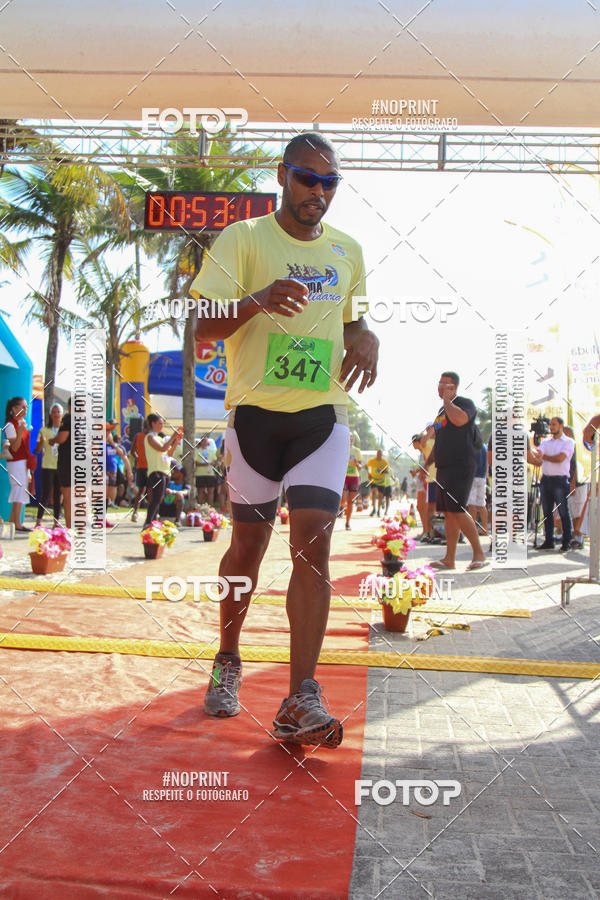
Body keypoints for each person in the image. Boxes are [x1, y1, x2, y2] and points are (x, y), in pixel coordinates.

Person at [191, 131, 378, 748]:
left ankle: (301, 694)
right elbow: (199, 329)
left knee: (312, 546)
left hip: (321, 416)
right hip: (255, 419)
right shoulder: (242, 239)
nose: (317, 194)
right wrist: (257, 301)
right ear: (282, 175)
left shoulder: (349, 250)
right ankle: (227, 657)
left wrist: (367, 336)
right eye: (307, 179)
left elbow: (355, 319)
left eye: (330, 184)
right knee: (246, 550)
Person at [424, 372, 487, 571]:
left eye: (446, 384)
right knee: (449, 513)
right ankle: (449, 558)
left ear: (455, 387)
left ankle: (479, 554)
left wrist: (448, 401)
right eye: (439, 383)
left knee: (458, 509)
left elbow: (460, 420)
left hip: (461, 465)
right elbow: (439, 435)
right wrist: (429, 460)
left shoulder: (464, 403)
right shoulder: (442, 409)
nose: (440, 387)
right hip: (444, 467)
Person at [533, 416, 575, 551]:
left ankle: (566, 541)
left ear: (561, 426)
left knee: (563, 511)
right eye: (550, 424)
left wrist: (543, 457)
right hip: (546, 479)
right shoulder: (545, 442)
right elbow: (538, 453)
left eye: (554, 424)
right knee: (547, 512)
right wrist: (535, 451)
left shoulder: (568, 442)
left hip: (560, 480)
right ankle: (549, 540)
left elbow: (560, 458)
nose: (551, 427)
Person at [144, 415, 183, 527]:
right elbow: (162, 449)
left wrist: (176, 440)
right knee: (156, 499)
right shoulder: (150, 437)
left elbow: (169, 453)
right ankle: (148, 522)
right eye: (160, 423)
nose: (162, 426)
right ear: (153, 424)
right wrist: (172, 437)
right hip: (156, 472)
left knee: (159, 499)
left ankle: (153, 521)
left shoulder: (160, 438)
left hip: (165, 472)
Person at [4, 396, 33, 532]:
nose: (26, 409)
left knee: (21, 491)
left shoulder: (22, 423)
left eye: (26, 407)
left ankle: (12, 522)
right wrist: (21, 431)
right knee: (18, 490)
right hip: (16, 462)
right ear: (14, 409)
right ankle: (17, 523)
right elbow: (14, 448)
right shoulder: (10, 425)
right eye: (23, 407)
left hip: (23, 462)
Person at [35, 402, 63, 527]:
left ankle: (56, 522)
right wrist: (41, 443)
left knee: (58, 495)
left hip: (61, 467)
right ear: (50, 415)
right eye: (54, 412)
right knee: (45, 494)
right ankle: (38, 521)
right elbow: (36, 450)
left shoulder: (64, 431)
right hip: (48, 466)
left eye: (58, 412)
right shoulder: (44, 430)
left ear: (61, 414)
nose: (56, 414)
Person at [53, 397, 72, 528]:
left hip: (68, 461)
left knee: (68, 496)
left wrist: (53, 440)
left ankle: (71, 528)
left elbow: (62, 438)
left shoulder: (69, 418)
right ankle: (81, 527)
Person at [467, 444, 488, 537]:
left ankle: (473, 529)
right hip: (482, 477)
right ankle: (485, 528)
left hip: (473, 477)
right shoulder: (484, 447)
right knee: (482, 505)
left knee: (472, 504)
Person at [342, 434, 362, 530]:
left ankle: (347, 523)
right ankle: (342, 506)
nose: (350, 439)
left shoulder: (356, 451)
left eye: (351, 438)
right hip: (343, 477)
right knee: (343, 500)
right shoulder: (341, 448)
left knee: (350, 502)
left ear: (353, 440)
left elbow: (360, 467)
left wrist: (356, 463)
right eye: (348, 437)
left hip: (354, 477)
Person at [410, 433, 428, 539]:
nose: (412, 445)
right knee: (420, 507)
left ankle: (426, 531)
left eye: (413, 442)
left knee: (422, 507)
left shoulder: (425, 451)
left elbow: (427, 466)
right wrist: (417, 471)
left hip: (425, 482)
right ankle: (425, 530)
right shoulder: (421, 453)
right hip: (421, 482)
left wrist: (420, 472)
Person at [131, 422, 149, 523]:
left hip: (151, 467)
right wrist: (138, 458)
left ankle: (150, 514)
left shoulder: (152, 437)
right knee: (140, 490)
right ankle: (135, 512)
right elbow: (132, 451)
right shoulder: (138, 436)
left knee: (150, 491)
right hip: (141, 467)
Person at [195, 436, 218, 505]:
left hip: (210, 474)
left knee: (210, 491)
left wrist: (211, 463)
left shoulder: (211, 451)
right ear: (200, 442)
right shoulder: (197, 451)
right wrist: (204, 464)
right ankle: (200, 507)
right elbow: (195, 463)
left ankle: (210, 508)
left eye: (205, 441)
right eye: (203, 441)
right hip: (200, 474)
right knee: (200, 491)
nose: (204, 442)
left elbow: (215, 461)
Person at [366, 449, 389, 517]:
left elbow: (387, 471)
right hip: (373, 480)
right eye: (378, 454)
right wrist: (369, 474)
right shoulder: (372, 461)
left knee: (380, 496)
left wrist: (382, 471)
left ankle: (378, 510)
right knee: (373, 492)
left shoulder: (384, 462)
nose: (379, 455)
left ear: (381, 454)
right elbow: (367, 467)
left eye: (380, 454)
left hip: (381, 481)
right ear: (376, 454)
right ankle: (374, 509)